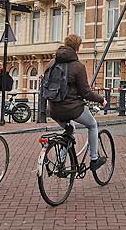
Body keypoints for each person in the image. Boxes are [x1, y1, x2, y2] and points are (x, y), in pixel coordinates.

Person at [46, 34, 107, 171]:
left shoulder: (51, 63)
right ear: (77, 47)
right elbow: (86, 92)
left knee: (69, 130)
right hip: (72, 109)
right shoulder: (78, 66)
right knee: (92, 125)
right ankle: (94, 159)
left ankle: (60, 163)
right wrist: (101, 99)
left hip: (54, 109)